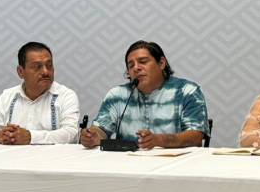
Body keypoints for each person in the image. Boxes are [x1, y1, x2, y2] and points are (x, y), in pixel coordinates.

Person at [81, 40, 209, 149]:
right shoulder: (117, 95)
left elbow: (195, 137)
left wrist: (158, 140)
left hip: (175, 164)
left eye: (143, 61)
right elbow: (101, 129)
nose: (136, 68)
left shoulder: (187, 91)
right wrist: (93, 136)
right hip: (127, 164)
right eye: (131, 65)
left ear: (161, 63)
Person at [0, 42, 80, 144]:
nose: (45, 72)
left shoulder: (66, 96)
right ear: (21, 72)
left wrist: (30, 137)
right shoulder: (8, 95)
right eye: (37, 67)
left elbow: (71, 133)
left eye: (49, 65)